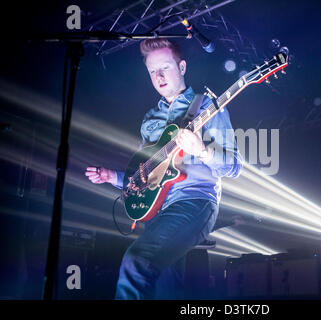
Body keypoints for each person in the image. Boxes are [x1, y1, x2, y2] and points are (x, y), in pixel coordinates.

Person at [84, 38, 242, 299]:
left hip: (194, 201)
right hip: (157, 207)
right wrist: (112, 177)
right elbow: (146, 173)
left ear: (181, 67)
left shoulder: (208, 107)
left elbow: (234, 167)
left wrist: (201, 150)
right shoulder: (150, 120)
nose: (158, 76)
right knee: (164, 289)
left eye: (165, 68)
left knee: (137, 262)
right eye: (152, 71)